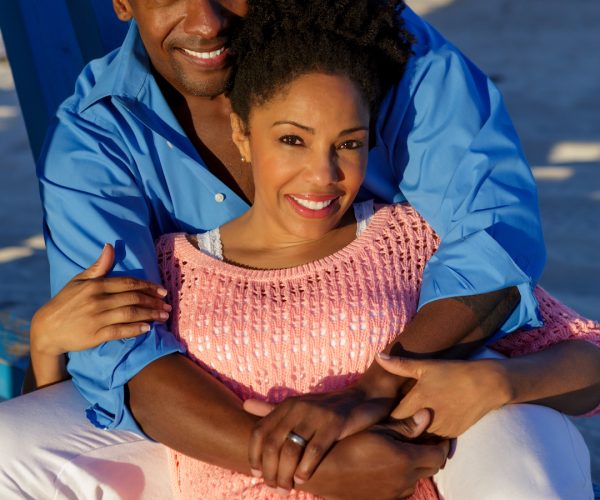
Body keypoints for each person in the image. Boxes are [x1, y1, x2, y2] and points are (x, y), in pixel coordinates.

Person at [13, 1, 600, 498]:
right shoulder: (97, 133)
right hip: (206, 426)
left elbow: (492, 243)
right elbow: (118, 349)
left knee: (520, 435)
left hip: (406, 397)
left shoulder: (391, 58)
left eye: (348, 142)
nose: (207, 21)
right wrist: (305, 465)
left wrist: (371, 393)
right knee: (9, 448)